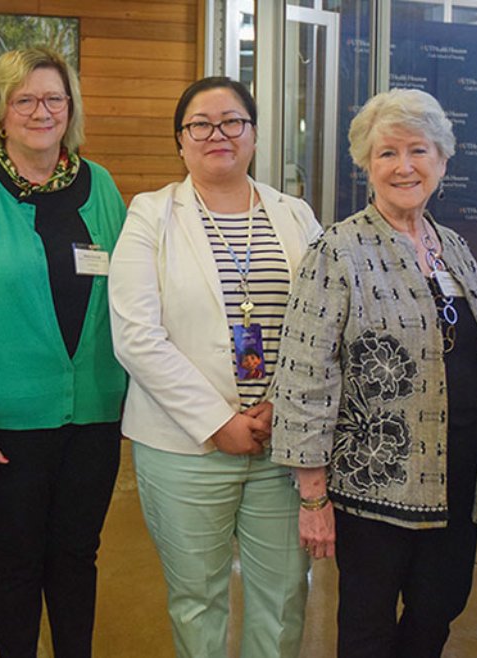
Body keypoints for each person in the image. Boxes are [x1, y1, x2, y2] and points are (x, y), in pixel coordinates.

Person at [270, 88, 477, 657]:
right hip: (373, 491)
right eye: (387, 153)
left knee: (438, 613)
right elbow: (303, 374)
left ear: (442, 161)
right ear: (366, 165)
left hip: (455, 480)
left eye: (418, 150)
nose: (404, 167)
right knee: (368, 630)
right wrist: (312, 497)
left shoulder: (455, 249)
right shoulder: (338, 250)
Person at [0, 48, 127, 658]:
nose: (42, 112)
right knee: (14, 566)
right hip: (6, 426)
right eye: (25, 100)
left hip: (93, 416)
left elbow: (134, 294)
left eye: (54, 99)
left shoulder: (101, 185)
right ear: (1, 113)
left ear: (71, 109)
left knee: (77, 558)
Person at [108, 76, 320, 658]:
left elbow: (323, 326)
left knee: (283, 600)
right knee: (197, 600)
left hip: (282, 445)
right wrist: (216, 422)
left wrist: (281, 405)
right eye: (199, 124)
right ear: (180, 141)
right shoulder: (150, 215)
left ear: (253, 134)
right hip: (183, 448)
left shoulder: (296, 215)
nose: (217, 134)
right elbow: (136, 336)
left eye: (232, 122)